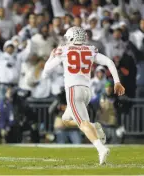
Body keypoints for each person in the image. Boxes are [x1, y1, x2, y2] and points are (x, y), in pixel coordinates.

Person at [42, 26, 125, 165]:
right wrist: (117, 82)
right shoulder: (90, 49)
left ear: (71, 38)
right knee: (66, 119)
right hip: (86, 90)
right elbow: (109, 62)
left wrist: (52, 56)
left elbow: (46, 72)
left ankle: (101, 148)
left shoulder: (65, 50)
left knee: (82, 123)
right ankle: (95, 126)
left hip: (74, 90)